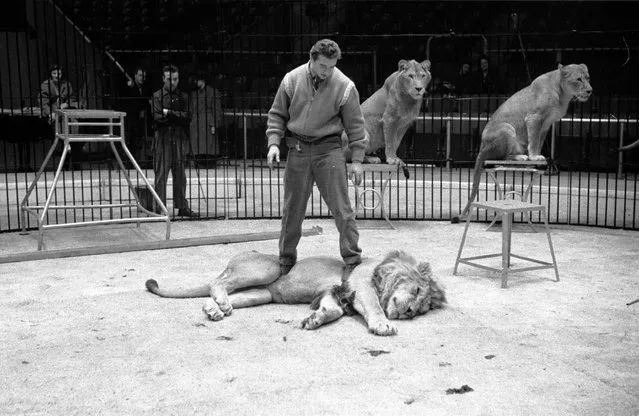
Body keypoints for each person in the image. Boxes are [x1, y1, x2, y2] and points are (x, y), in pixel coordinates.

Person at [266, 39, 368, 278]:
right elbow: (277, 114)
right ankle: (286, 260)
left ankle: (352, 259)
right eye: (323, 66)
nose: (328, 72)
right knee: (292, 210)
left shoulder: (345, 86)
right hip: (298, 149)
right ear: (311, 60)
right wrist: (273, 143)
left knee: (343, 209)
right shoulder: (291, 79)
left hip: (329, 149)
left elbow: (356, 126)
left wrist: (357, 160)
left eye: (332, 66)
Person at [151, 64, 199, 217]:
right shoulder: (157, 96)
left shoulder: (183, 96)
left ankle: (181, 206)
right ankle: (160, 207)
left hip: (177, 137)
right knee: (161, 174)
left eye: (176, 79)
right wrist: (176, 116)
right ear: (163, 79)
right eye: (169, 79)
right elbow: (157, 118)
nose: (173, 82)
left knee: (180, 174)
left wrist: (169, 113)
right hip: (163, 138)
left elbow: (188, 118)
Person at [189, 73, 224, 160]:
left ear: (203, 81)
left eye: (197, 80)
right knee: (197, 146)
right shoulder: (194, 94)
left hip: (207, 121)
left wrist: (214, 123)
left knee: (207, 146)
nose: (195, 82)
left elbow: (217, 109)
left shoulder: (213, 92)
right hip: (196, 121)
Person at [122, 66, 153, 163]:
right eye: (140, 75)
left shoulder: (145, 88)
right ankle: (127, 163)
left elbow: (144, 102)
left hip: (139, 119)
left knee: (137, 141)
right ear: (135, 76)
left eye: (143, 76)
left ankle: (136, 162)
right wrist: (129, 87)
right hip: (129, 118)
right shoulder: (129, 87)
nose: (142, 78)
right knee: (128, 140)